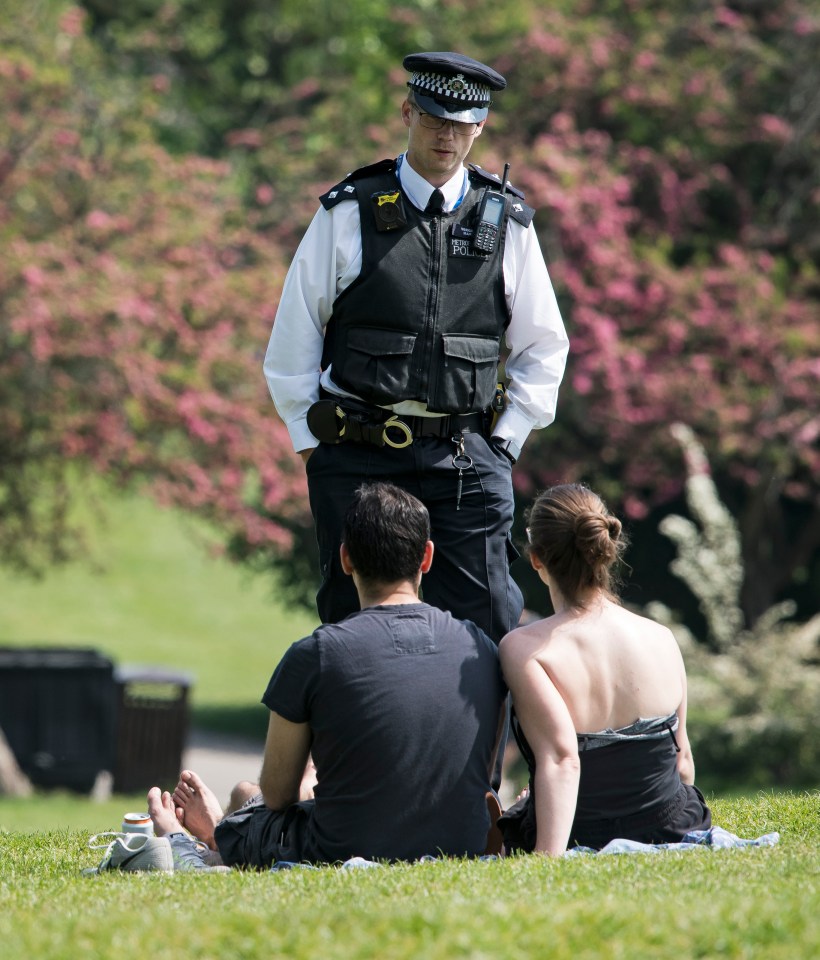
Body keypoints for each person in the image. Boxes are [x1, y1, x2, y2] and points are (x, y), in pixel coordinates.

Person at [263, 51, 569, 643]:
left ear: (480, 128)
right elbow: (292, 343)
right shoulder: (348, 211)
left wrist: (504, 443)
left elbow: (544, 347)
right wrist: (311, 446)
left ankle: (477, 743)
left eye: (461, 123)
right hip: (356, 456)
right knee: (356, 636)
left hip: (467, 457)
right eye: (434, 118)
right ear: (408, 111)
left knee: (489, 636)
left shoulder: (507, 222)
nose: (446, 135)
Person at [146, 482, 507, 868]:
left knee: (249, 799)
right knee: (246, 796)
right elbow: (480, 772)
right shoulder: (482, 648)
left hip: (341, 848)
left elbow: (278, 795)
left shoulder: (315, 655)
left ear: (346, 559)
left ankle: (198, 837)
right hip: (462, 843)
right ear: (427, 557)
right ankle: (223, 827)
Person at [497, 484, 711, 855]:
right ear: (605, 549)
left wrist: (546, 859)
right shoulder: (662, 637)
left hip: (580, 830)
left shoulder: (523, 647)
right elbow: (683, 761)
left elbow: (562, 759)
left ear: (536, 558)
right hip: (673, 823)